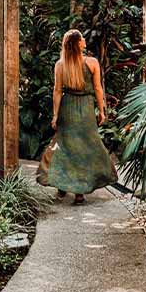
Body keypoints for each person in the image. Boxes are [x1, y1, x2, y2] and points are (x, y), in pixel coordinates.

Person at [36, 29, 118, 204]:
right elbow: (98, 89)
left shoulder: (60, 65)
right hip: (86, 109)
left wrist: (55, 115)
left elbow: (57, 92)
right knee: (85, 149)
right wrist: (102, 110)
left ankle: (62, 186)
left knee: (64, 147)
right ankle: (79, 191)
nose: (84, 41)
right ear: (78, 43)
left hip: (67, 108)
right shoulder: (92, 62)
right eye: (82, 39)